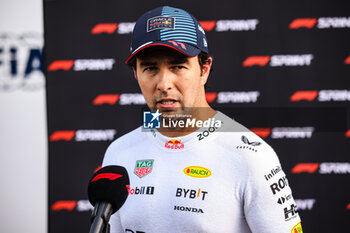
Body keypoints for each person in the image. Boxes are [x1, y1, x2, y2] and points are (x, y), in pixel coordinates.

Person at [102, 6, 303, 233]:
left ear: (204, 69)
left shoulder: (250, 155)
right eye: (150, 68)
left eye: (178, 66)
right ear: (136, 74)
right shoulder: (119, 153)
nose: (164, 83)